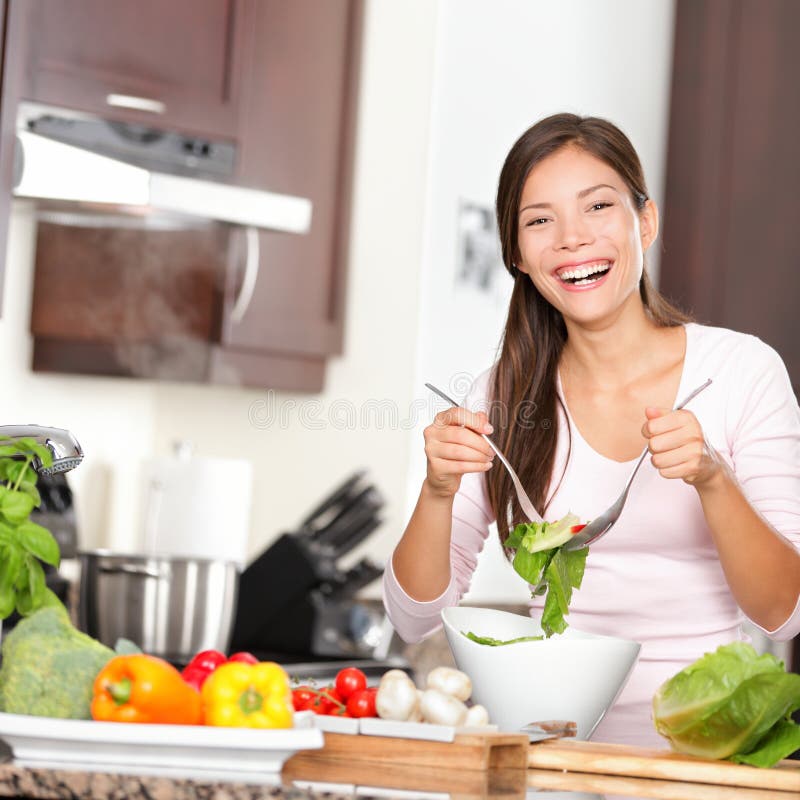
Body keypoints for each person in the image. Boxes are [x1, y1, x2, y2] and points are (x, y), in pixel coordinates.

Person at [383, 113, 800, 746]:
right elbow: (412, 619)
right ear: (518, 257)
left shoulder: (740, 371)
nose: (572, 239)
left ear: (646, 222)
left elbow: (785, 612)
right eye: (540, 220)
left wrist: (713, 480)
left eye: (598, 206)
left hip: (706, 758)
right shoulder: (501, 395)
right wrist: (438, 492)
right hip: (549, 756)